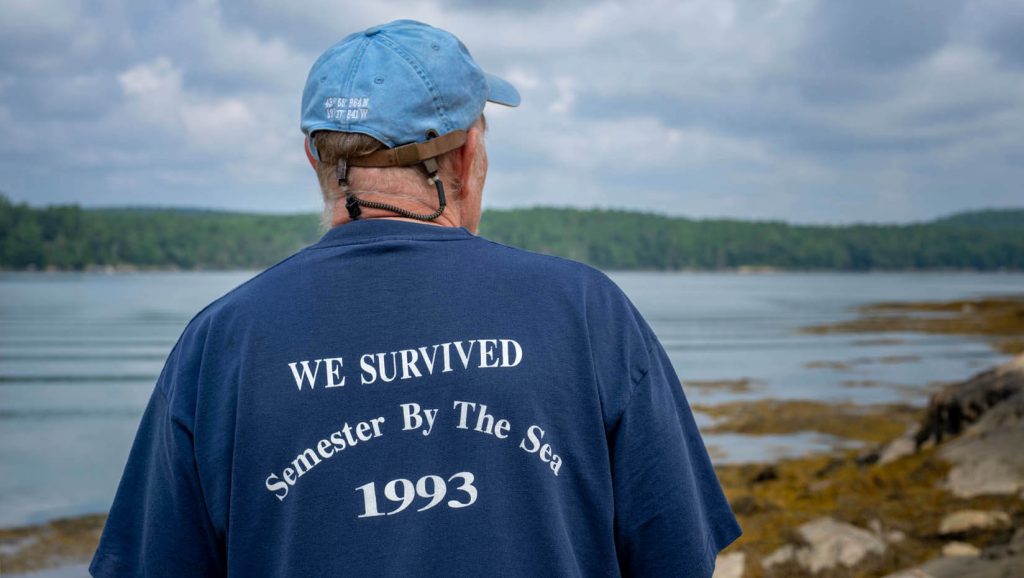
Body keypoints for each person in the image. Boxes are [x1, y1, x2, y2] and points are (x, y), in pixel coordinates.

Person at [89, 19, 741, 577]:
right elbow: (680, 557)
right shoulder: (587, 311)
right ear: (467, 157)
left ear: (315, 159)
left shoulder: (220, 345)